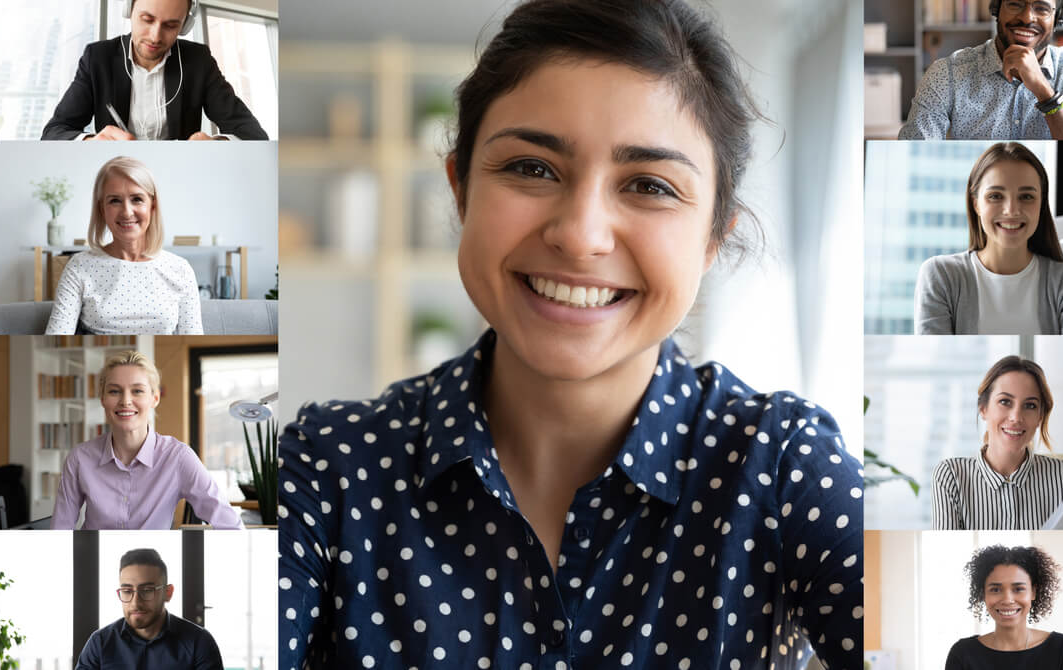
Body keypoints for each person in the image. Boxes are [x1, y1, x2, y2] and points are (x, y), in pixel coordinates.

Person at [279, 2, 862, 668]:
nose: (580, 235)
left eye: (648, 185)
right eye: (532, 168)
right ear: (461, 191)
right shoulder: (328, 468)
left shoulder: (785, 466)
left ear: (711, 241)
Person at [914, 142, 1063, 335]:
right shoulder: (941, 276)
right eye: (995, 196)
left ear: (1041, 203)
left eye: (1026, 197)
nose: (1012, 210)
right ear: (976, 204)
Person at [51, 350, 242, 530]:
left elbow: (231, 526)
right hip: (95, 562)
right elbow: (60, 532)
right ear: (102, 398)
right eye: (114, 391)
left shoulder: (178, 457)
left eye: (137, 391)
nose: (125, 401)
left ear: (155, 398)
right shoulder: (79, 458)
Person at [42, 0, 267, 141]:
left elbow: (253, 134)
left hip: (177, 178)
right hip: (116, 180)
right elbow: (54, 132)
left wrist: (217, 145)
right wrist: (91, 142)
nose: (155, 36)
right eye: (147, 19)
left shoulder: (198, 61)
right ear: (129, 10)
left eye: (170, 26)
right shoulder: (98, 58)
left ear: (185, 26)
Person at [899, 0, 1063, 140]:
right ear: (996, 8)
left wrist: (1045, 93)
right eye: (1015, 4)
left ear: (1058, 17)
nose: (1027, 18)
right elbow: (913, 150)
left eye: (1041, 8)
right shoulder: (947, 73)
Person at [45, 155, 204, 335]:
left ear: (153, 206)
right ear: (101, 209)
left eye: (137, 199)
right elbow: (57, 334)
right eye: (115, 201)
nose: (127, 212)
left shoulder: (180, 269)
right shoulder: (79, 267)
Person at [932, 355, 1063, 529]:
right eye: (1005, 402)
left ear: (1040, 416)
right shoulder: (951, 476)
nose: (1016, 417)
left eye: (1030, 405)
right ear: (983, 409)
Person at [76, 548, 225, 669]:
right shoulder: (100, 643)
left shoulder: (198, 642)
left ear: (168, 593)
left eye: (147, 590)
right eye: (127, 591)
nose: (135, 603)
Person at [945, 544, 1063, 669]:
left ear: (1033, 592)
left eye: (1018, 589)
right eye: (995, 590)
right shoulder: (962, 654)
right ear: (983, 594)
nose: (1007, 600)